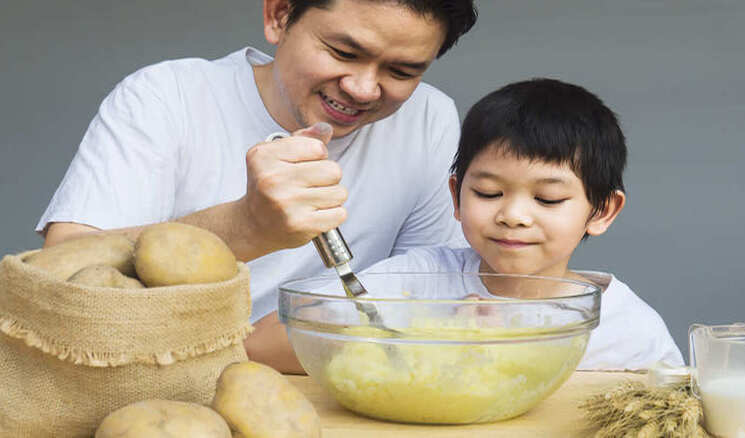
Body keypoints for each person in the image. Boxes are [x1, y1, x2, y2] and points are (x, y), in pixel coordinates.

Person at [35, 0, 477, 372]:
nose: (363, 89)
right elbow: (56, 278)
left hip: (330, 391)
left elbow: (428, 292)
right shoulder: (166, 97)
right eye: (343, 52)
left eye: (401, 72)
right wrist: (245, 226)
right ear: (280, 14)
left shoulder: (427, 119)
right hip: (143, 378)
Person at [359, 78, 684, 370]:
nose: (513, 215)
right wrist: (433, 334)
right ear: (457, 196)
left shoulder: (623, 327)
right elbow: (309, 340)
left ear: (601, 211)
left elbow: (670, 412)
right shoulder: (418, 281)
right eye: (489, 193)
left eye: (548, 199)